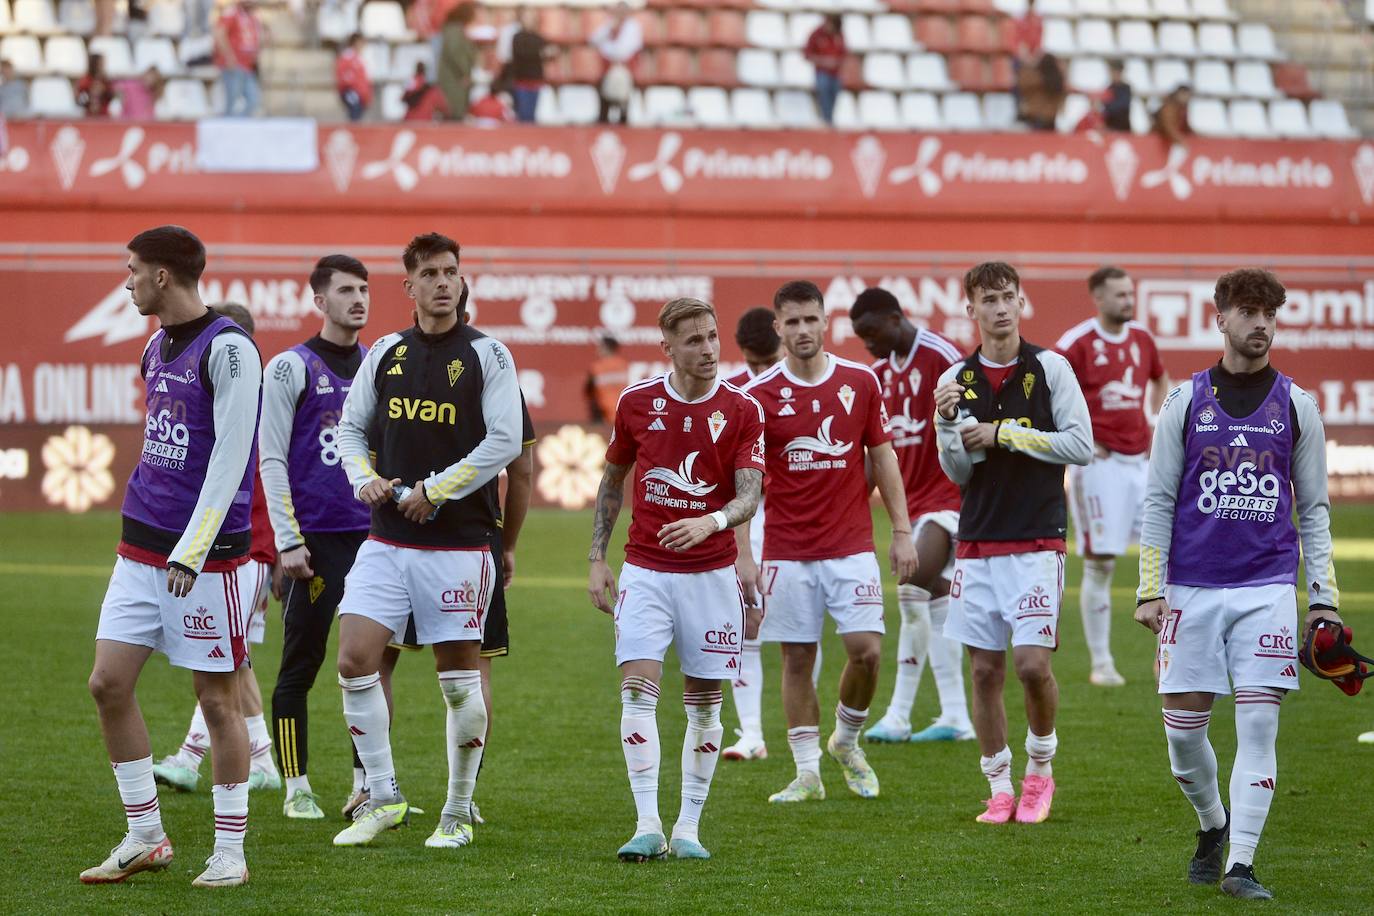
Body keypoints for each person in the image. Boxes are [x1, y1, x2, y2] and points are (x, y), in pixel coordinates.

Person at [1134, 268, 1340, 901]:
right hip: (1190, 590)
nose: (1261, 324)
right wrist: (1149, 587)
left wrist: (1323, 598)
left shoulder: (1298, 406)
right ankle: (1212, 824)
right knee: (1182, 738)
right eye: (1248, 312)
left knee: (1258, 729)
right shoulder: (1185, 401)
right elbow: (1160, 498)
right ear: (1220, 318)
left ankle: (1242, 865)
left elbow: (1314, 510)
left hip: (1267, 591)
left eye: (1270, 313)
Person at [81, 226, 261, 888]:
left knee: (216, 700)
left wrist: (194, 547)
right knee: (107, 683)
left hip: (204, 560)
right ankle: (146, 835)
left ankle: (230, 849)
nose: (126, 282)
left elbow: (229, 455)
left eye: (132, 271)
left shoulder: (234, 351)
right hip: (139, 548)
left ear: (163, 276)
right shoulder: (155, 345)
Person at [332, 232, 523, 850]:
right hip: (385, 540)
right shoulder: (386, 351)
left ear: (462, 281)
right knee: (354, 661)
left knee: (459, 682)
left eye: (452, 272)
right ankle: (383, 797)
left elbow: (504, 441)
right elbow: (351, 426)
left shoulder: (489, 354)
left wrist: (434, 490)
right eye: (431, 274)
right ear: (408, 285)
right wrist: (364, 477)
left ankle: (458, 812)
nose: (444, 283)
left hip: (459, 546)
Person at [587, 296, 764, 861]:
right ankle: (646, 823)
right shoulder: (637, 403)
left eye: (712, 336)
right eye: (693, 340)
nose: (708, 349)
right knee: (636, 691)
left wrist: (708, 523)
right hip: (646, 569)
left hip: (711, 575)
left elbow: (749, 495)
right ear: (668, 348)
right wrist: (597, 556)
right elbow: (613, 481)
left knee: (705, 703)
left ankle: (688, 828)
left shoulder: (741, 410)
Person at [737, 282, 916, 805]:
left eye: (810, 320)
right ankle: (806, 772)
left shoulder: (860, 381)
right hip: (788, 551)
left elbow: (883, 458)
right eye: (791, 323)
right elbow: (745, 481)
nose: (802, 331)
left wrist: (901, 530)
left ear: (825, 321)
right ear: (778, 328)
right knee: (797, 659)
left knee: (867, 653)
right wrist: (744, 553)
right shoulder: (758, 397)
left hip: (852, 545)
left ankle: (847, 739)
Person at [933, 261, 1092, 826]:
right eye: (988, 299)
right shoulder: (955, 378)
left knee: (1029, 665)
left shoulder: (1051, 368)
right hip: (977, 540)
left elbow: (1080, 445)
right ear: (970, 309)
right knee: (983, 672)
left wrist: (1003, 433)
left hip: (1037, 539)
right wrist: (949, 426)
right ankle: (998, 785)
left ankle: (1040, 771)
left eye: (1008, 297)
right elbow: (957, 472)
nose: (1000, 308)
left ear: (1021, 303)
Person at [249, 255, 374, 820]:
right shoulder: (288, 368)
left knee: (366, 666)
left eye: (364, 289)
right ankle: (296, 786)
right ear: (319, 301)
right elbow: (271, 457)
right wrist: (287, 540)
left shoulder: (379, 364)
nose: (358, 299)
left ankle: (364, 784)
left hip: (374, 543)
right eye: (345, 290)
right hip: (314, 543)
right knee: (301, 665)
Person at [152, 304, 282, 798]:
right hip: (241, 546)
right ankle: (264, 762)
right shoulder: (229, 391)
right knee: (235, 658)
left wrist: (276, 550)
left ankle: (189, 757)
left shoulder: (251, 393)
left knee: (223, 660)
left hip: (247, 549)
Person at [850, 287, 975, 745]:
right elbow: (872, 449)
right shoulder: (878, 374)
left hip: (950, 499)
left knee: (911, 579)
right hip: (914, 504)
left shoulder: (942, 355)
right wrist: (852, 503)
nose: (868, 344)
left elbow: (972, 419)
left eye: (871, 333)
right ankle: (956, 715)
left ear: (896, 318)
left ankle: (900, 714)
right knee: (929, 598)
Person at [1056, 267, 1168, 687]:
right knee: (1101, 563)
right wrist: (1078, 437)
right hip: (1097, 467)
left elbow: (1161, 378)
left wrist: (1156, 420)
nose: (1128, 300)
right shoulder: (1075, 344)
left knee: (1165, 557)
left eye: (1130, 292)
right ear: (1098, 299)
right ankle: (1102, 663)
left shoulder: (1142, 339)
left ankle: (1166, 654)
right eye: (1120, 294)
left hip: (1141, 463)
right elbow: (1050, 392)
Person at [720, 307, 785, 762]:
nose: (762, 373)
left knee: (801, 636)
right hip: (756, 520)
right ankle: (752, 733)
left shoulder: (814, 383)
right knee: (746, 623)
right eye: (754, 364)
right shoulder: (738, 396)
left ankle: (811, 733)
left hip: (805, 528)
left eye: (769, 362)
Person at [589, 2, 642, 126]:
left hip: (626, 69)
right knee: (603, 89)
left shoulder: (633, 27)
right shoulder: (610, 25)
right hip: (608, 69)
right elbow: (593, 40)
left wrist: (607, 48)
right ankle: (603, 119)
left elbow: (622, 51)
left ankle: (623, 120)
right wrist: (610, 30)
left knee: (622, 89)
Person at [215, 0, 263, 117]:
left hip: (248, 66)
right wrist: (229, 56)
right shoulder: (231, 13)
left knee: (254, 99)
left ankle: (238, 126)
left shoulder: (253, 17)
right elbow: (220, 34)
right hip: (234, 64)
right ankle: (227, 128)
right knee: (232, 101)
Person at [508, 7, 552, 123]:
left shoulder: (539, 38)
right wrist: (539, 53)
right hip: (521, 79)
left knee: (532, 114)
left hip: (535, 79)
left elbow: (549, 53)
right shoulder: (517, 37)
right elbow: (522, 53)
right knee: (523, 113)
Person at [438, 2, 479, 121]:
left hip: (456, 78)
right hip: (455, 79)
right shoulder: (454, 30)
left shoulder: (456, 29)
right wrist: (464, 72)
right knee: (454, 113)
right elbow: (455, 53)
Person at [803, 15, 845, 126]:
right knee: (824, 89)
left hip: (836, 72)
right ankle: (826, 120)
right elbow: (807, 54)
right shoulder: (816, 34)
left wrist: (836, 62)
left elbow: (844, 53)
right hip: (822, 72)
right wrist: (823, 61)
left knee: (835, 92)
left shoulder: (839, 35)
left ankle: (829, 118)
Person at [585, 335, 628, 425]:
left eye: (600, 347)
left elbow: (588, 391)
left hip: (604, 415)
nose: (597, 350)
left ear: (606, 347)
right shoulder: (623, 365)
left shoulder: (596, 368)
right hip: (623, 412)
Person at [1017, 51, 1065, 131]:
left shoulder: (1033, 79)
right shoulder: (1058, 81)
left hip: (1034, 120)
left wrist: (1030, 64)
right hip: (1050, 121)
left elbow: (1021, 84)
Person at [336, 34, 372, 122]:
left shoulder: (359, 58)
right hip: (352, 92)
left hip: (361, 95)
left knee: (359, 116)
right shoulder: (347, 58)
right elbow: (344, 77)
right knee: (355, 113)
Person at [1102, 59, 1132, 132]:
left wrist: (1109, 105)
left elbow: (1123, 105)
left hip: (1123, 127)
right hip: (1110, 127)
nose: (1114, 75)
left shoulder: (1126, 88)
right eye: (1113, 72)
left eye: (1117, 72)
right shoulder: (1109, 88)